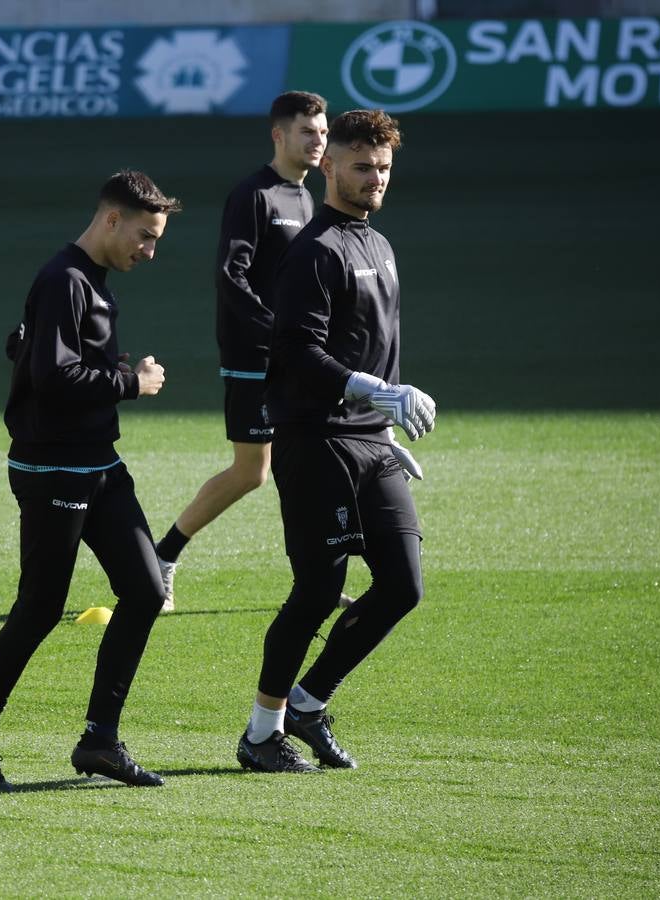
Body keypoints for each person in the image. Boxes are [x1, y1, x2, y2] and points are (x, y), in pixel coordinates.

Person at [0, 170, 179, 792]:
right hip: (53, 467)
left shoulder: (86, 282)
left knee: (146, 588)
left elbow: (39, 353)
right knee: (41, 607)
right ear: (111, 220)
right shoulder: (64, 278)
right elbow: (53, 376)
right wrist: (133, 383)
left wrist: (113, 369)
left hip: (97, 462)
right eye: (145, 235)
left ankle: (100, 740)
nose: (149, 251)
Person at [235, 109, 434, 774]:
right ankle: (263, 733)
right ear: (329, 167)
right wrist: (378, 394)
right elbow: (295, 352)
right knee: (318, 591)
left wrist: (382, 417)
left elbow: (381, 347)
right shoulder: (314, 252)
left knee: (402, 586)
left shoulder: (378, 245)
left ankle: (310, 702)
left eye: (382, 168)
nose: (374, 179)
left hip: (367, 440)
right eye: (360, 166)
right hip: (315, 440)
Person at [154, 90, 328, 612]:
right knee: (251, 471)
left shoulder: (305, 198)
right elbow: (230, 274)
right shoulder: (254, 195)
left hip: (295, 357)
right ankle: (163, 556)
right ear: (279, 135)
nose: (318, 141)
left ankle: (316, 579)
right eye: (307, 131)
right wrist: (274, 331)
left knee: (304, 463)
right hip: (254, 356)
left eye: (322, 132)